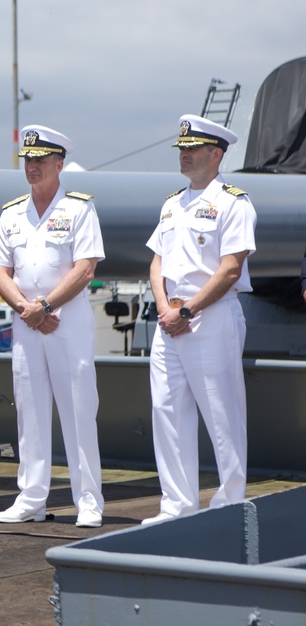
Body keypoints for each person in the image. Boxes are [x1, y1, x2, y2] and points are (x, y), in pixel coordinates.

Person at [142, 115, 257, 525]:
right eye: (182, 149)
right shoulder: (172, 203)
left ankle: (229, 503)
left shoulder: (233, 202)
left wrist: (187, 310)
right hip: (170, 319)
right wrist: (165, 308)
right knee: (168, 410)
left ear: (216, 153)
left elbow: (229, 269)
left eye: (193, 149)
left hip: (210, 317)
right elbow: (157, 262)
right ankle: (177, 506)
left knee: (221, 411)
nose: (185, 155)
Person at [0, 125, 105, 528]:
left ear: (60, 164)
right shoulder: (12, 212)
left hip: (66, 321)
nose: (32, 167)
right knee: (30, 412)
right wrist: (26, 307)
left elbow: (86, 267)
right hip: (27, 323)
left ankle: (88, 500)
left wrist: (46, 305)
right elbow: (0, 271)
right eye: (28, 160)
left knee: (77, 410)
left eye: (40, 160)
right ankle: (31, 497)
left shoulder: (78, 208)